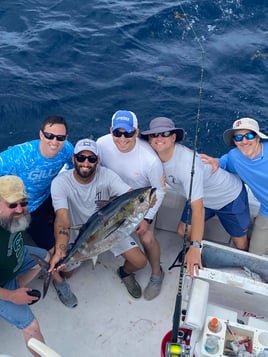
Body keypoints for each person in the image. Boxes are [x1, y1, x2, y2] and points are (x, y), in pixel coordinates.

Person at [141, 117, 250, 276]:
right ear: (149, 140)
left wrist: (195, 246)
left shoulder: (186, 165)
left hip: (229, 197)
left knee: (240, 244)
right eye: (154, 135)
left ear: (173, 138)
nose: (159, 138)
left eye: (164, 134)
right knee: (182, 230)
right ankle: (201, 254)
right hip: (200, 196)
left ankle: (243, 266)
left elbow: (198, 209)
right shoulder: (152, 157)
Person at [49, 138, 147, 299]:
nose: (86, 162)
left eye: (91, 158)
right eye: (81, 158)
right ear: (73, 159)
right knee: (65, 274)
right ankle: (59, 277)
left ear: (98, 161)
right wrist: (60, 249)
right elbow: (61, 218)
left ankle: (125, 273)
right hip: (79, 234)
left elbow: (130, 196)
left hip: (111, 230)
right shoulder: (60, 182)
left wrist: (145, 203)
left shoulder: (107, 175)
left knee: (140, 262)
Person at [0, 115, 77, 308]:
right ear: (41, 135)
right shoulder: (19, 155)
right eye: (50, 136)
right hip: (26, 207)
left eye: (60, 138)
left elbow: (73, 167)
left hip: (49, 196)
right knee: (52, 251)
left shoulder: (67, 149)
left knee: (72, 223)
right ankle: (60, 283)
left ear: (66, 138)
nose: (55, 142)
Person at [97, 110, 166, 301]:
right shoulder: (101, 144)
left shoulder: (150, 160)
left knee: (146, 236)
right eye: (117, 133)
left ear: (136, 132)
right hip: (112, 201)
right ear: (111, 131)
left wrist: (147, 218)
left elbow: (159, 190)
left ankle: (156, 274)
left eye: (128, 133)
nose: (122, 138)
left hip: (141, 203)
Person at [200, 117, 268, 256]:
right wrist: (214, 161)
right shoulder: (234, 157)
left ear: (258, 137)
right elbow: (222, 163)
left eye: (249, 135)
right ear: (234, 142)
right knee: (255, 256)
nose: (244, 141)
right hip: (266, 211)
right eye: (238, 137)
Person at [0, 175, 50, 357]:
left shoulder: (12, 219)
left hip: (13, 260)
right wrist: (11, 296)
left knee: (43, 258)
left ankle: (19, 285)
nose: (20, 209)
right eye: (12, 205)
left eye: (23, 202)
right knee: (31, 328)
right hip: (2, 286)